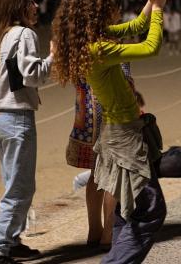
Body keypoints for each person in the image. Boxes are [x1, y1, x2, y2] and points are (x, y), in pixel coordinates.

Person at [51, 0, 170, 263]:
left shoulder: (91, 40)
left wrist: (152, 1)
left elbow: (136, 27)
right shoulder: (99, 49)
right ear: (98, 12)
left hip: (117, 133)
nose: (116, 10)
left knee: (124, 210)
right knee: (150, 210)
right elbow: (151, 47)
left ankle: (117, 254)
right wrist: (158, 10)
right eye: (110, 7)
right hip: (123, 137)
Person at [0, 0, 54, 264]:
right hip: (16, 117)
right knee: (20, 188)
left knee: (14, 183)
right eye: (30, 3)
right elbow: (33, 75)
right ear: (19, 8)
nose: (36, 6)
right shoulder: (24, 34)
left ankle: (12, 242)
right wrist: (53, 57)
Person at [66, 62, 141, 251]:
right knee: (111, 174)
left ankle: (94, 231)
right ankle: (108, 234)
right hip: (109, 111)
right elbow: (122, 80)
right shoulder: (108, 43)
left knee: (95, 172)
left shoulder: (79, 43)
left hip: (87, 112)